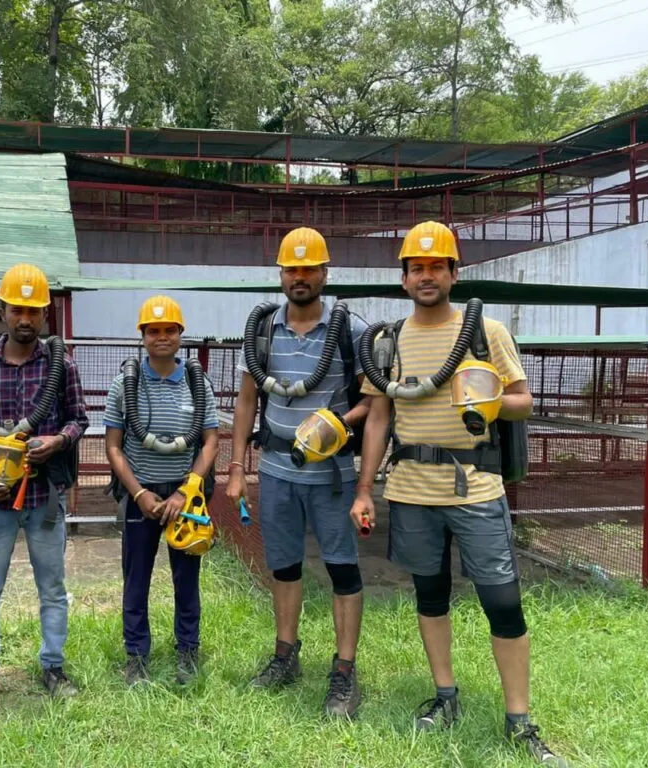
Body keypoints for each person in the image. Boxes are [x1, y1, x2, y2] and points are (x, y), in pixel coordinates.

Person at [351, 220, 568, 766]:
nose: (426, 276)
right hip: (411, 488)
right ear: (403, 279)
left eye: (436, 266)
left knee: (502, 600)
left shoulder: (485, 332)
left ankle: (519, 719)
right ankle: (445, 697)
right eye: (416, 268)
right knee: (430, 594)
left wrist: (486, 401)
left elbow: (524, 400)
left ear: (454, 273)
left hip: (475, 487)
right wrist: (364, 489)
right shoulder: (387, 342)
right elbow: (378, 418)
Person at [227, 226, 371, 718]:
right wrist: (236, 465)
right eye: (292, 268)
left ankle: (344, 673)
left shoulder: (350, 331)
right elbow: (248, 399)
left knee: (342, 569)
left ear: (326, 272)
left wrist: (339, 422)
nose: (301, 276)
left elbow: (375, 401)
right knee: (284, 566)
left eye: (310, 268)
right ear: (281, 274)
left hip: (331, 474)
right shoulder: (264, 329)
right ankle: (285, 654)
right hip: (275, 470)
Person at [0, 263, 89, 716]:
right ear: (3, 312)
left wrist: (58, 441)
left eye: (33, 311)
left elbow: (79, 418)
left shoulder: (60, 366)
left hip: (43, 498)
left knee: (52, 587)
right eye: (17, 309)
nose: (25, 318)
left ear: (45, 315)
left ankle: (53, 667)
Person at [104, 296, 220, 686]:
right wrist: (138, 493)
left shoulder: (196, 382)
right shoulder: (126, 384)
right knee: (136, 579)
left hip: (185, 498)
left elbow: (209, 443)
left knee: (186, 579)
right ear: (142, 336)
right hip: (142, 498)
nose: (162, 337)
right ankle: (137, 657)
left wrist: (186, 492)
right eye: (153, 330)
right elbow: (114, 447)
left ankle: (187, 651)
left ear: (180, 335)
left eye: (169, 330)